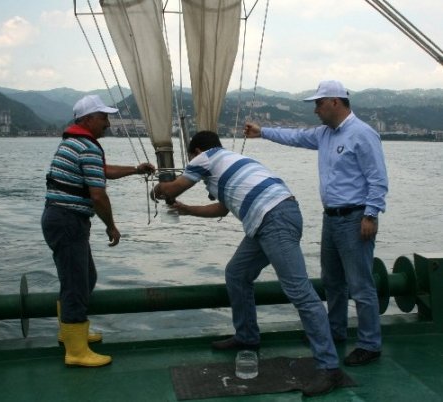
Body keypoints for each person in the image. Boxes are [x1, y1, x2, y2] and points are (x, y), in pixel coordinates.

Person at [152, 130, 343, 397]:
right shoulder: (231, 160)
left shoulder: (204, 158)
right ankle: (247, 336)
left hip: (273, 219)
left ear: (195, 152)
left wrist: (158, 187)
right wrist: (186, 209)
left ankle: (329, 368)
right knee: (237, 274)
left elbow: (172, 188)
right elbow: (222, 208)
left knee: (300, 293)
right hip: (270, 217)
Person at [244, 80, 388, 367]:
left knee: (360, 285)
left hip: (356, 218)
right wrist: (263, 133)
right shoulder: (325, 134)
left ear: (335, 102)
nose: (315, 110)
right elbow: (295, 137)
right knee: (333, 281)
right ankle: (335, 332)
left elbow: (378, 178)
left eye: (318, 103)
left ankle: (370, 344)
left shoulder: (363, 134)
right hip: (331, 218)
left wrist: (371, 215)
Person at [41, 95, 155, 367]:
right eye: (103, 117)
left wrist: (136, 170)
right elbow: (98, 195)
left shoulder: (75, 143)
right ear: (87, 119)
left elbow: (103, 171)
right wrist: (111, 226)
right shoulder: (87, 147)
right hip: (68, 221)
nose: (108, 123)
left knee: (83, 277)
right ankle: (76, 351)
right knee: (77, 283)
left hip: (61, 218)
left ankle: (70, 333)